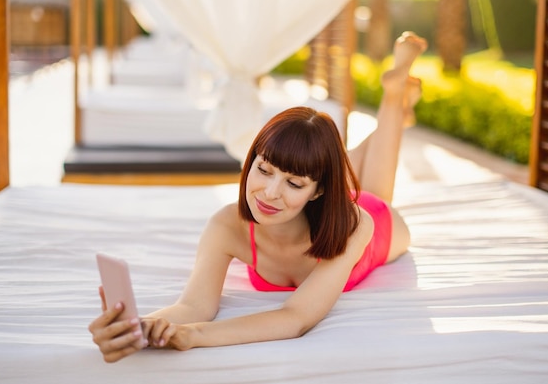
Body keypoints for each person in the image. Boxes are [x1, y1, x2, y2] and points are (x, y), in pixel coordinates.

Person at [89, 31, 428, 363]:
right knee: (331, 167)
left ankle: (394, 96)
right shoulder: (226, 224)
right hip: (319, 197)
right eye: (264, 170)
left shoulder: (358, 224)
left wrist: (193, 336)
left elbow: (295, 318)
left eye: (293, 184)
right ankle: (396, 102)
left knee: (375, 191)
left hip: (373, 222)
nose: (269, 193)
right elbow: (194, 307)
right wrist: (143, 327)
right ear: (251, 160)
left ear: (317, 192)